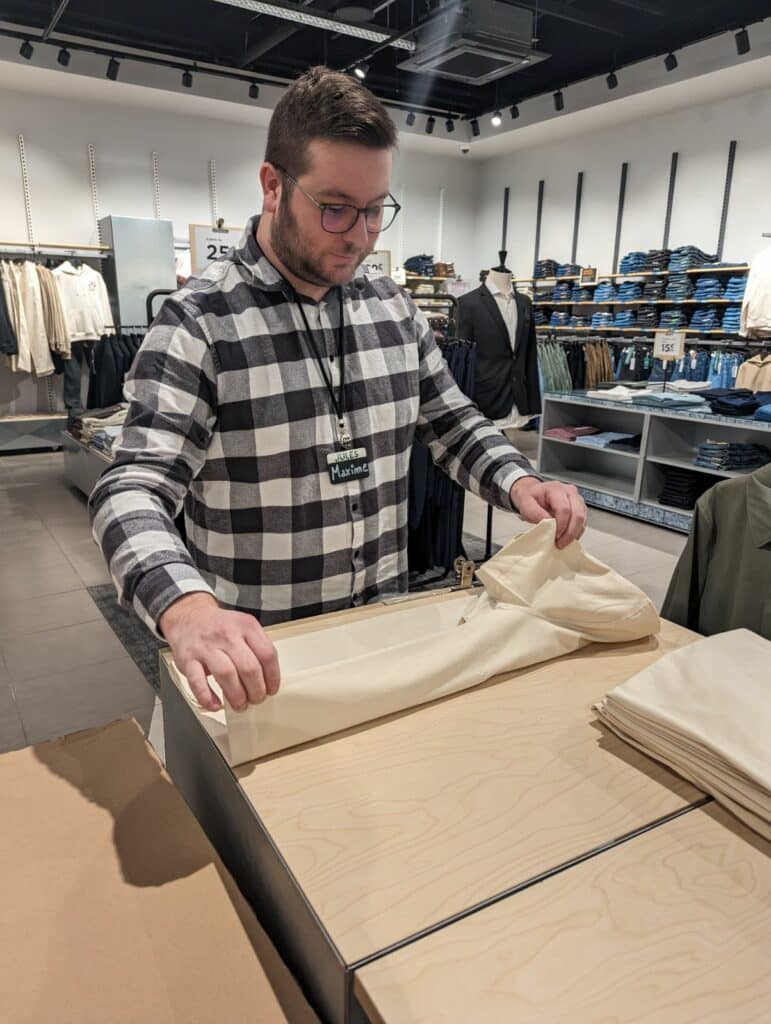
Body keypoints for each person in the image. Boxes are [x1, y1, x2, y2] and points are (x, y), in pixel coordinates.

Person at [90, 66, 587, 716]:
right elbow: (132, 488)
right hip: (255, 668)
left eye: (375, 209)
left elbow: (453, 423)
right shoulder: (199, 324)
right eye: (334, 207)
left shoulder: (392, 308)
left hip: (385, 645)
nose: (359, 234)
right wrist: (185, 608)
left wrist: (519, 481)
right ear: (273, 185)